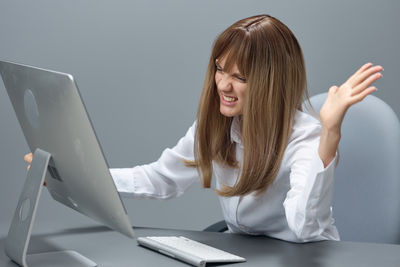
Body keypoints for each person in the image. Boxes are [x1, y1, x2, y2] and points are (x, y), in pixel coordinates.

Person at [24, 14, 383, 243]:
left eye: (240, 77)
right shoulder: (218, 126)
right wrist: (73, 174)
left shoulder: (305, 138)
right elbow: (158, 180)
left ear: (272, 83)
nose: (223, 85)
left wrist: (330, 134)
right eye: (220, 69)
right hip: (244, 250)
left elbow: (305, 229)